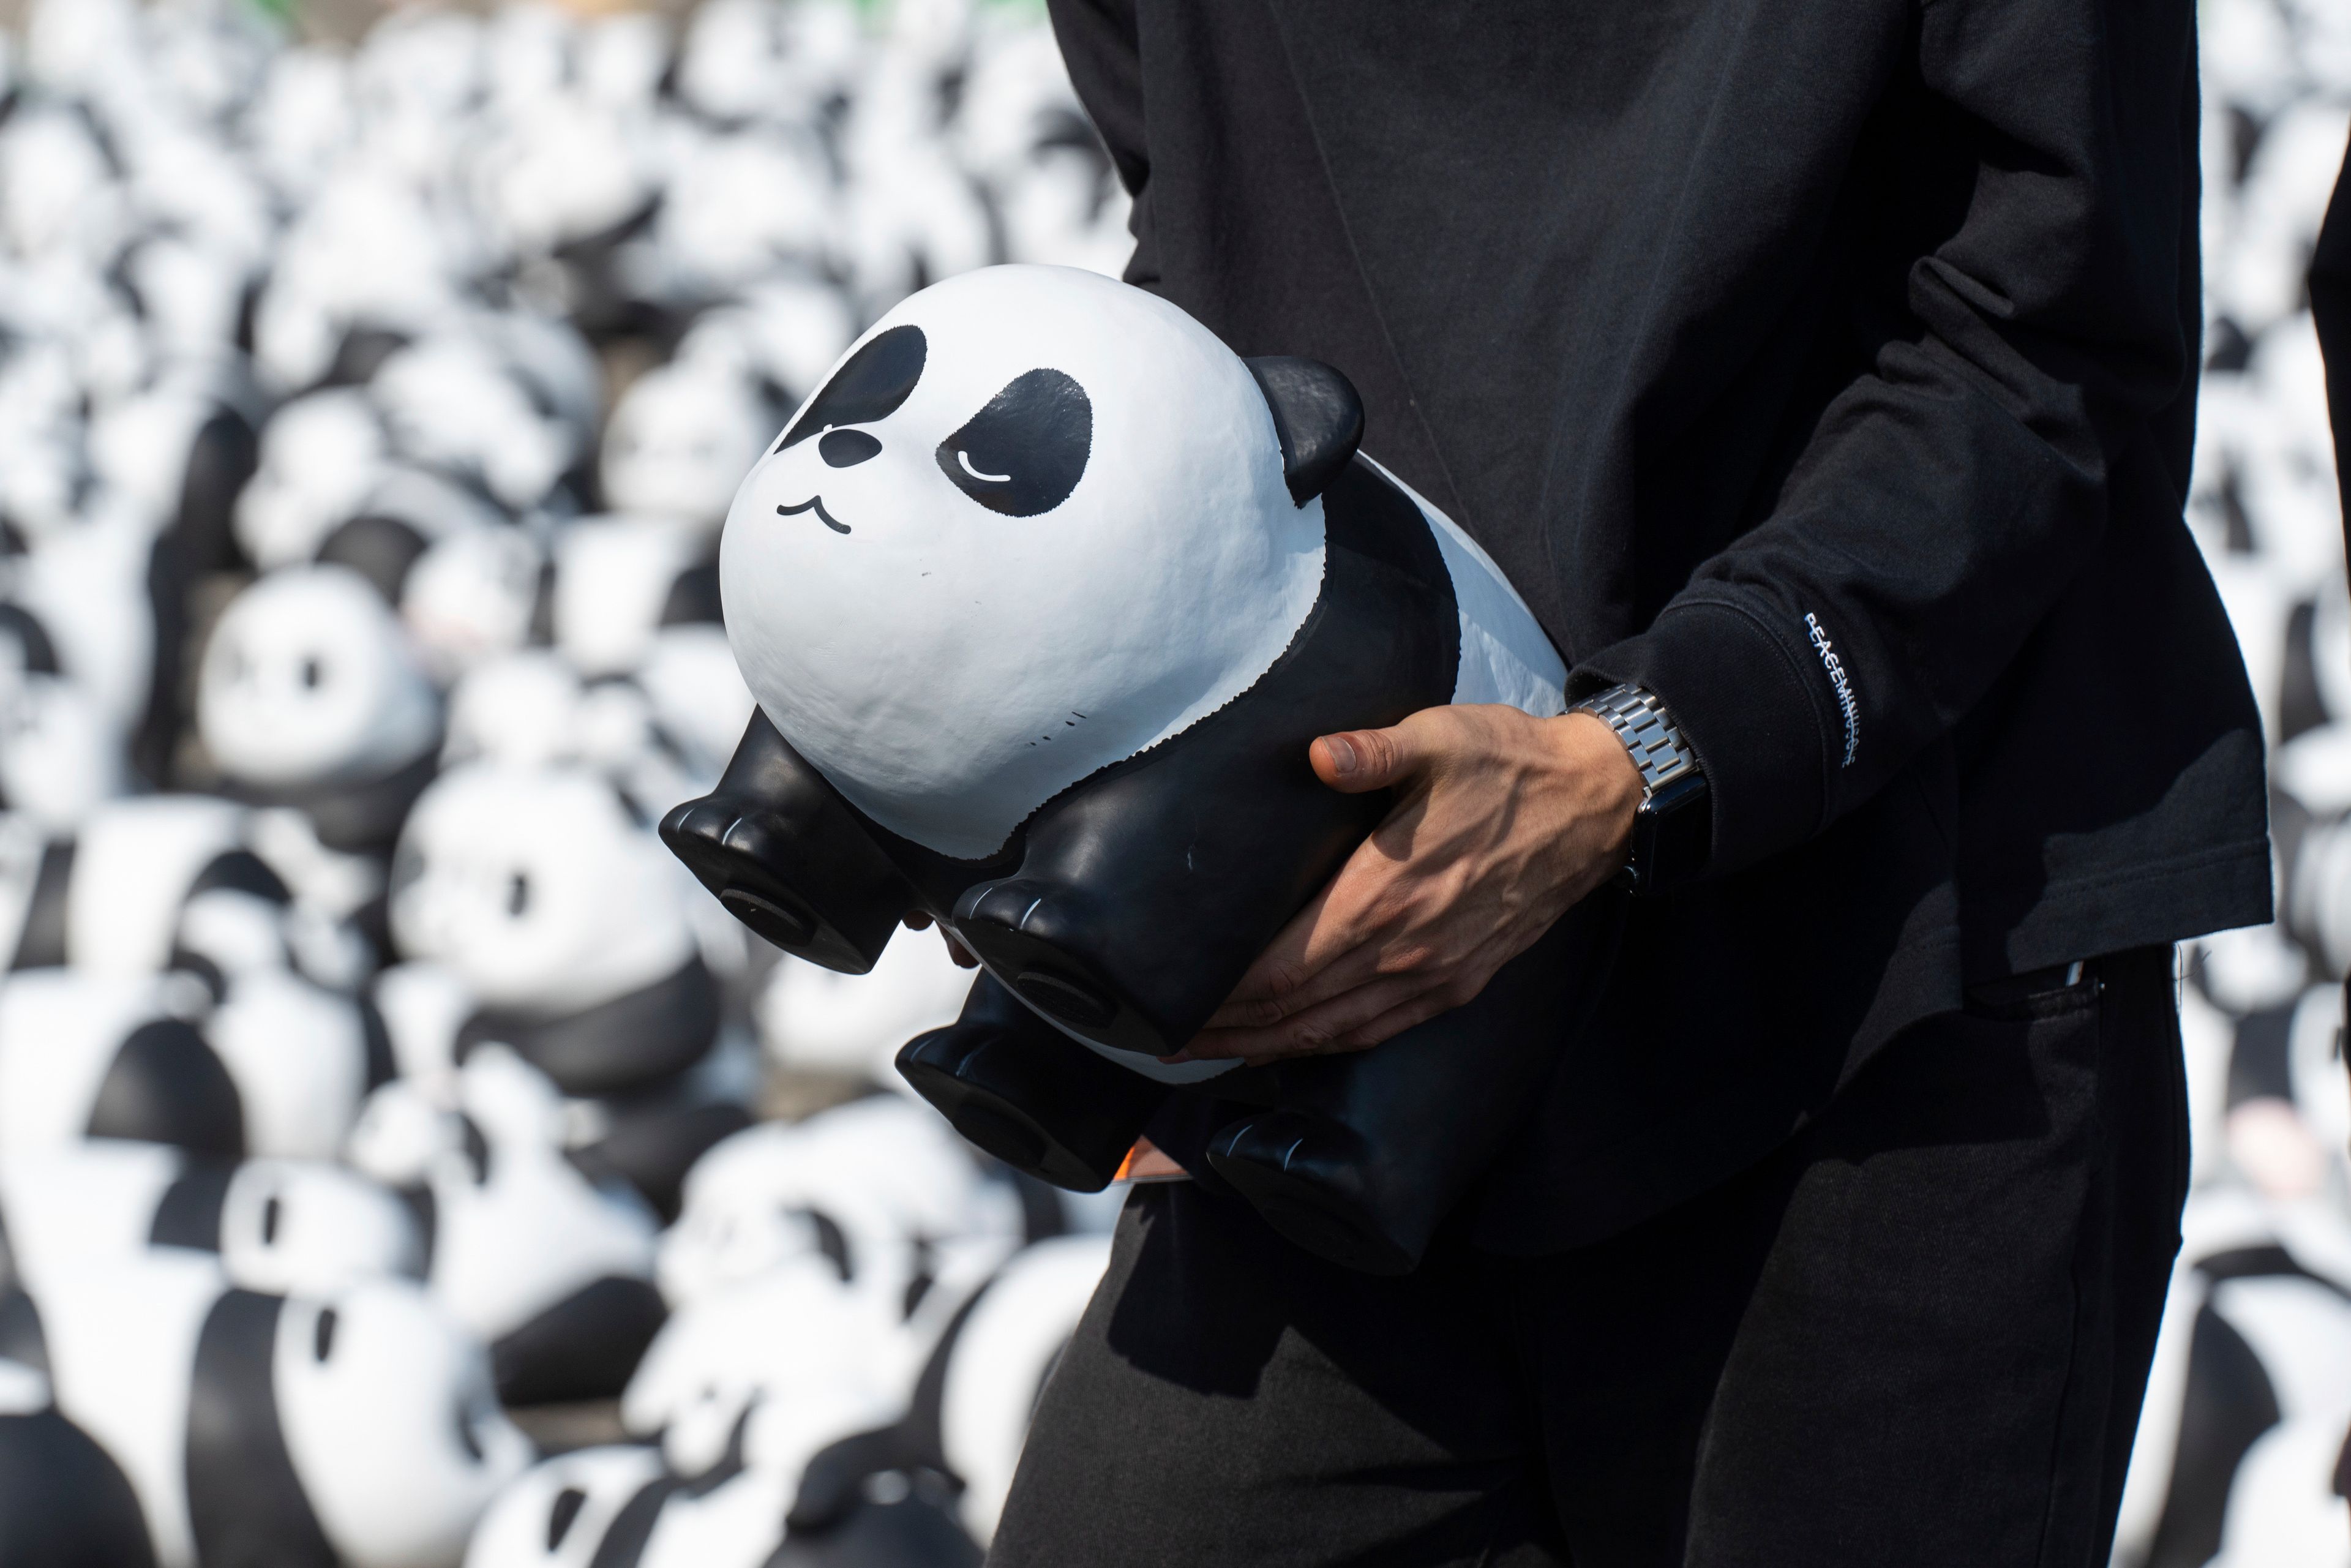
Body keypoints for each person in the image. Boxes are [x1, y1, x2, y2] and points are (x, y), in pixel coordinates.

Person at [983, 4, 2271, 1565]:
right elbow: (1210, 237)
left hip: (1890, 975)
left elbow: (2043, 327)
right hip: (1361, 971)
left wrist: (1642, 752)